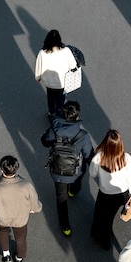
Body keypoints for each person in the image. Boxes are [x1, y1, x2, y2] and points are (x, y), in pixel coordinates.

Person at [40, 101, 93, 236]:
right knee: (80, 175)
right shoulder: (83, 135)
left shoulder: (54, 130)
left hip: (59, 171)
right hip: (76, 171)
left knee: (60, 198)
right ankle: (73, 191)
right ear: (76, 116)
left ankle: (65, 226)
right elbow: (88, 155)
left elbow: (44, 142)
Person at [0, 155, 42, 262]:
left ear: (1, 170)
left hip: (2, 219)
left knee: (2, 233)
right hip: (20, 219)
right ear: (16, 169)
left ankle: (6, 255)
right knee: (21, 238)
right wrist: (35, 208)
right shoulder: (26, 186)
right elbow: (34, 202)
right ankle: (19, 258)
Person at [89, 129, 131, 250]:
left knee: (102, 215)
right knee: (113, 214)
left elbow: (92, 174)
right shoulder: (127, 158)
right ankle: (123, 211)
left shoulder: (99, 157)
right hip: (123, 193)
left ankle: (102, 238)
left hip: (105, 194)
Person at [34, 29, 78, 118]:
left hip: (49, 83)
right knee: (60, 100)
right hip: (61, 83)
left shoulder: (42, 53)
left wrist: (38, 78)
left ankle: (51, 112)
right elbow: (73, 65)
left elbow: (38, 67)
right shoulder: (66, 51)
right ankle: (58, 117)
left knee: (50, 98)